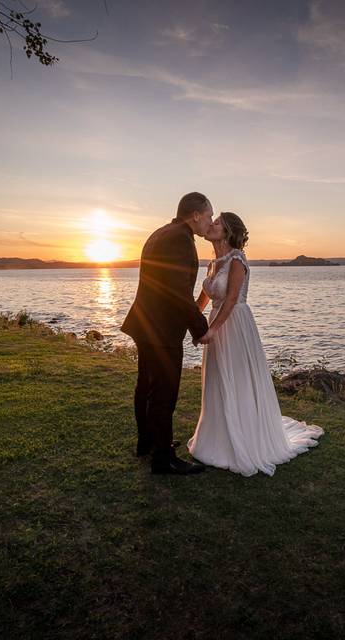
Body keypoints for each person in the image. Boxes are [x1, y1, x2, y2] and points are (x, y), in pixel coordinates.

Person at [188, 211, 323, 476]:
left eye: (217, 223)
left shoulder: (237, 260)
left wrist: (213, 330)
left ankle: (246, 438)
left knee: (237, 378)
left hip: (235, 324)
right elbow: (202, 301)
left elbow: (231, 300)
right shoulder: (212, 263)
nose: (211, 225)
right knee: (217, 378)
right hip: (216, 322)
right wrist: (188, 320)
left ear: (227, 232)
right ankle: (217, 437)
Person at [120, 192, 212, 475]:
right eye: (208, 216)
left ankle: (146, 442)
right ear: (196, 214)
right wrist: (201, 328)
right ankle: (163, 458)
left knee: (146, 385)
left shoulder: (161, 233)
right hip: (161, 328)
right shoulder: (180, 239)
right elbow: (177, 292)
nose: (209, 222)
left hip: (146, 322)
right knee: (164, 391)